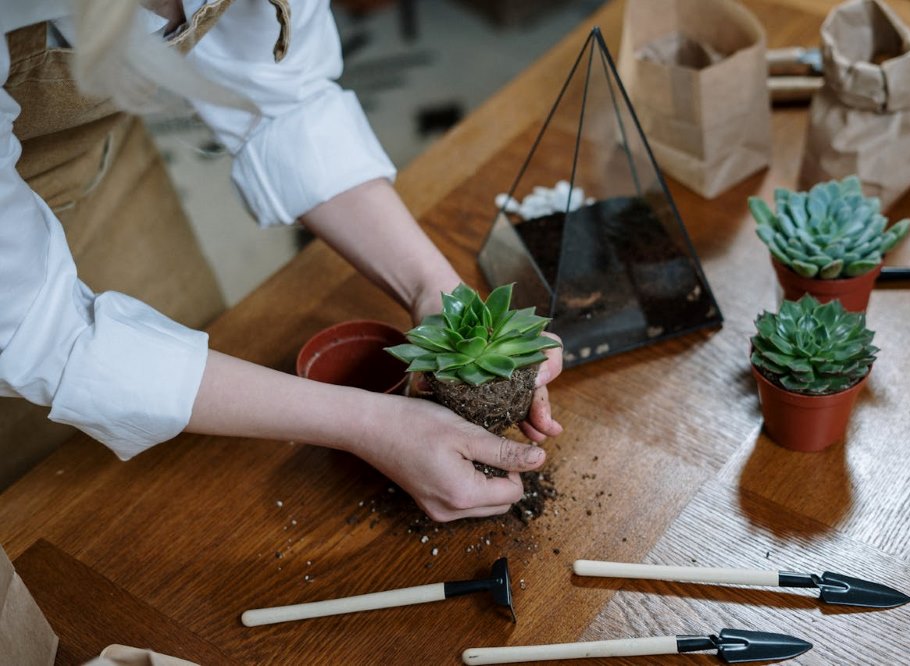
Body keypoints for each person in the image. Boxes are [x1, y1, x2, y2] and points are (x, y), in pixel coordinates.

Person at [0, 0, 563, 521]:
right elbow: (40, 335)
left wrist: (436, 293)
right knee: (53, 491)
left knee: (205, 365)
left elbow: (284, 101)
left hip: (92, 168)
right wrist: (367, 422)